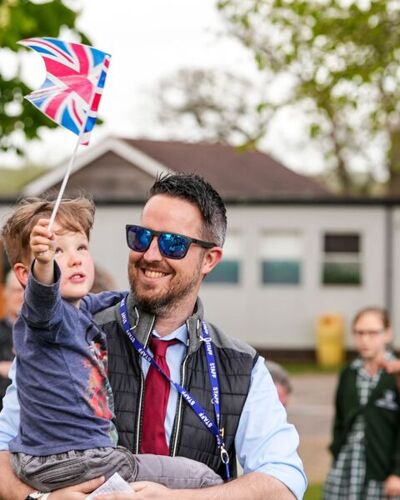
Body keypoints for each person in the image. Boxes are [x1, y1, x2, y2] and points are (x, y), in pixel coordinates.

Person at [0, 173, 307, 500]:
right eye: (142, 237)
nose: (150, 254)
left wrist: (178, 499)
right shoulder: (65, 335)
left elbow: (283, 483)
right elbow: (3, 452)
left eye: (173, 243)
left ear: (210, 259)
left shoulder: (243, 367)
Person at [0, 196, 222, 495]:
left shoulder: (78, 308)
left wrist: (145, 293)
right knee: (203, 478)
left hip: (51, 460)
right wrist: (43, 262)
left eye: (81, 247)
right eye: (58, 252)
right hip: (79, 458)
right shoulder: (42, 316)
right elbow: (43, 293)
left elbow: (106, 299)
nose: (76, 258)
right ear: (25, 275)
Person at [323, 306, 400, 500]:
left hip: (382, 472)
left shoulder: (395, 374)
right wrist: (336, 449)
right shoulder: (348, 373)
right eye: (359, 333)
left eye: (373, 333)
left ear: (388, 334)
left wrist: (397, 472)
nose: (365, 339)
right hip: (346, 467)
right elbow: (340, 420)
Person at [0, 270, 23, 410]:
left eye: (25, 290)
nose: (22, 296)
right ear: (6, 294)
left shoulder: (42, 334)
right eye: (16, 290)